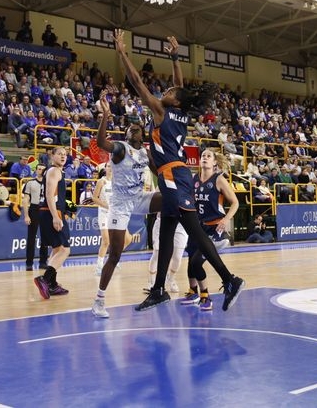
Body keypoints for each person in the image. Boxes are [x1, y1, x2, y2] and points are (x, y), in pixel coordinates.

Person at [114, 29, 244, 312]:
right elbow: (180, 85)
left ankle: (229, 279)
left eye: (169, 92)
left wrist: (122, 53)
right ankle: (159, 289)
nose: (165, 91)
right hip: (173, 176)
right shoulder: (179, 112)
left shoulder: (161, 111)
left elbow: (137, 83)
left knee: (195, 233)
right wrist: (175, 58)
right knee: (165, 237)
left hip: (175, 175)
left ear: (174, 101)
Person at [91, 93, 162, 319]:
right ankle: (99, 300)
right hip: (120, 204)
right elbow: (101, 143)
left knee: (173, 197)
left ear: (142, 133)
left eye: (136, 128)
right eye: (129, 129)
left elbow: (159, 171)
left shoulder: (144, 152)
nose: (132, 130)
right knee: (115, 254)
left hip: (139, 198)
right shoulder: (121, 148)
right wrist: (105, 116)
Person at [181, 150, 239, 311]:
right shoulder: (194, 180)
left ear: (214, 163)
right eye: (203, 156)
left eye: (208, 156)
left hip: (215, 227)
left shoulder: (219, 180)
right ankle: (193, 292)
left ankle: (205, 296)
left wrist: (226, 219)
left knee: (196, 261)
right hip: (198, 226)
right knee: (191, 258)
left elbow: (235, 203)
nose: (205, 158)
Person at [33, 146, 70, 299]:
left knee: (56, 249)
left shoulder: (56, 171)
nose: (63, 156)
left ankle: (52, 285)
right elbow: (49, 195)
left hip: (48, 212)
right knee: (65, 250)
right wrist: (56, 216)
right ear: (52, 156)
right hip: (52, 212)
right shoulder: (54, 171)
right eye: (59, 154)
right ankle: (45, 278)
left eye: (65, 154)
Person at [21, 164, 49, 271]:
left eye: (43, 169)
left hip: (45, 210)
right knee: (31, 238)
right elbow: (25, 200)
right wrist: (26, 215)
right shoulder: (30, 183)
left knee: (45, 238)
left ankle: (43, 262)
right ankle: (29, 263)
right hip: (34, 209)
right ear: (36, 170)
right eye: (39, 169)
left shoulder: (48, 183)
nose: (41, 171)